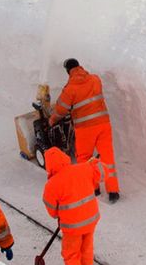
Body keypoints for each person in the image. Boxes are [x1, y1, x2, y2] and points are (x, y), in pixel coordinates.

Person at [51, 59, 120, 202]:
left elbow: (61, 109)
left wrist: (52, 119)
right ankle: (113, 191)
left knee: (85, 160)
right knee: (108, 158)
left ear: (68, 71)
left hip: (85, 129)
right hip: (103, 124)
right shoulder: (95, 79)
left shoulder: (70, 89)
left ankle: (93, 189)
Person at [42, 147, 102, 265]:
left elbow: (51, 210)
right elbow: (98, 177)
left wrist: (59, 214)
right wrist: (93, 163)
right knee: (87, 248)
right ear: (64, 157)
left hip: (72, 228)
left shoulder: (52, 185)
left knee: (71, 255)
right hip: (91, 220)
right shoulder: (83, 168)